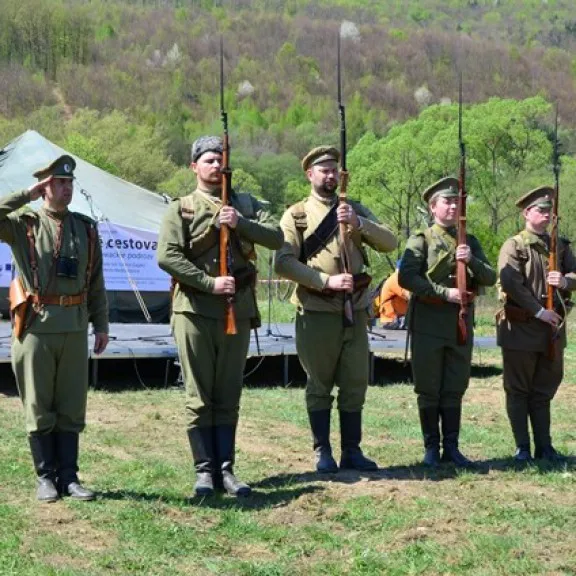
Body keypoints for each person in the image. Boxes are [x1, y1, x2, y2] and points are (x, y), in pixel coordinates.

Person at [156, 136, 283, 497]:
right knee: (199, 395)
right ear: (194, 166)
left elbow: (277, 238)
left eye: (221, 161)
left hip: (237, 313)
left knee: (228, 393)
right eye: (209, 160)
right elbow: (167, 256)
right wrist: (209, 283)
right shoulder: (181, 208)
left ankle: (226, 470)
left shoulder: (247, 205)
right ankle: (204, 471)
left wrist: (241, 222)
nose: (216, 166)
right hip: (194, 312)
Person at [274, 145, 397, 473]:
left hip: (355, 310)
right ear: (310, 174)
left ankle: (352, 451)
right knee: (319, 384)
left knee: (355, 382)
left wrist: (359, 224)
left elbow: (390, 242)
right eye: (323, 169)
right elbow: (283, 262)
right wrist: (325, 282)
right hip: (317, 310)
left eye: (334, 169)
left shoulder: (354, 209)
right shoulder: (297, 215)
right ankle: (323, 451)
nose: (329, 175)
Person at [0, 155, 109, 502]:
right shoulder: (24, 224)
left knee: (71, 404)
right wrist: (25, 194)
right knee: (39, 404)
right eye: (59, 183)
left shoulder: (85, 228)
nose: (67, 188)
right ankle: (45, 477)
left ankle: (70, 477)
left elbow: (96, 282)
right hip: (36, 327)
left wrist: (101, 324)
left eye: (69, 183)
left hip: (75, 327)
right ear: (45, 187)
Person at [398, 177, 496, 468]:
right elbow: (406, 277)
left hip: (460, 324)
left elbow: (490, 278)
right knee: (428, 387)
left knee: (454, 385)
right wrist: (443, 292)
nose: (453, 206)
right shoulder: (422, 240)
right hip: (429, 323)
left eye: (457, 201)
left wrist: (471, 261)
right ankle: (431, 448)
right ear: (432, 207)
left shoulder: (469, 241)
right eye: (447, 201)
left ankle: (451, 447)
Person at [496, 186, 576, 463]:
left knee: (543, 391)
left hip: (551, 331)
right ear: (526, 213)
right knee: (518, 390)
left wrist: (565, 281)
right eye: (540, 210)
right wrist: (539, 311)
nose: (546, 215)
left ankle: (545, 446)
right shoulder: (515, 245)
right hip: (521, 330)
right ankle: (522, 448)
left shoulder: (561, 246)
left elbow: (575, 274)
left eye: (549, 211)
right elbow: (511, 283)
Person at [372, 260, 410, 329]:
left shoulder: (401, 278)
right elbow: (409, 296)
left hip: (400, 318)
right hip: (391, 320)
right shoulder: (396, 279)